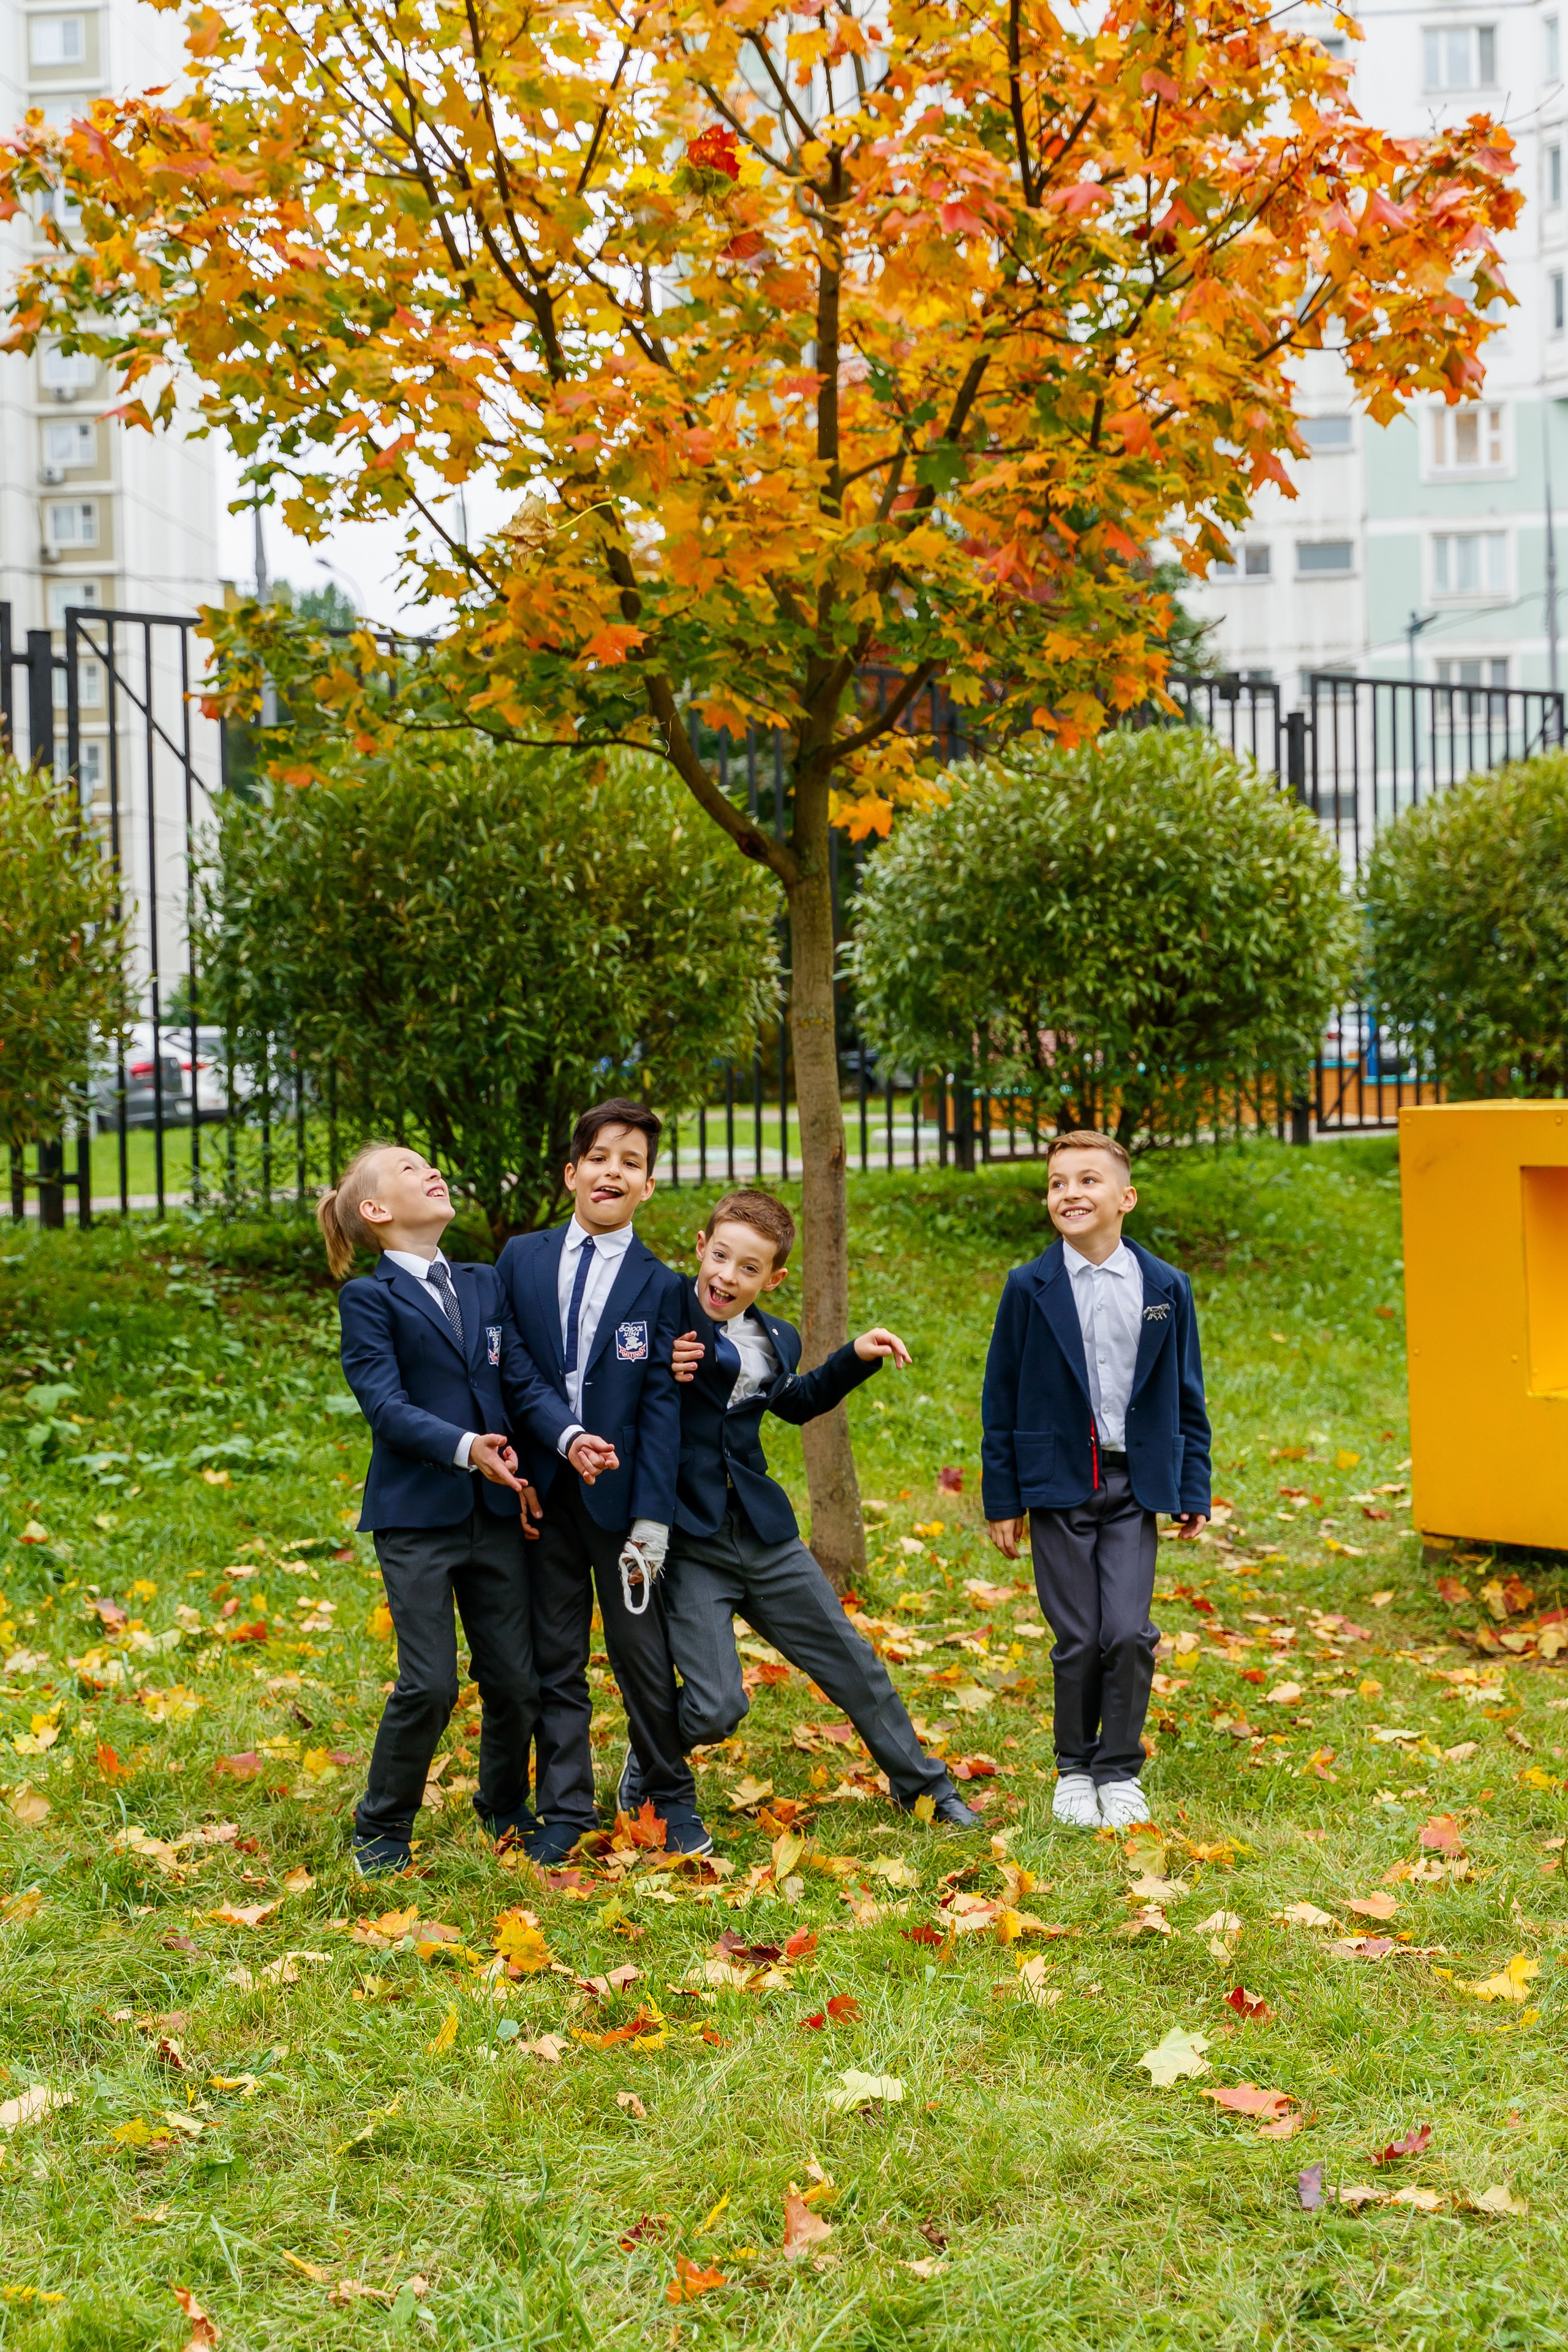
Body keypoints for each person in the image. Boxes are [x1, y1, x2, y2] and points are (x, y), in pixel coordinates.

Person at [622, 1188, 981, 1831]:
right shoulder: (661, 1311)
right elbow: (622, 1367)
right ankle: (652, 1754)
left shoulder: (776, 1336)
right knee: (715, 1709)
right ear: (701, 1249)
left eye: (749, 1267)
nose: (728, 1276)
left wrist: (853, 1357)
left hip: (763, 1534)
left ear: (774, 1278)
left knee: (854, 1664)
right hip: (691, 1540)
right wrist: (657, 1353)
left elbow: (792, 1400)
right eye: (721, 1257)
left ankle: (924, 1787)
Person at [323, 1141, 619, 1877]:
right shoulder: (368, 1299)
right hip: (416, 1518)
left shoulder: (485, 1285)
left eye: (430, 1161)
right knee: (429, 1683)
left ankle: (503, 1803)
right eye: (408, 1168)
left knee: (514, 1680)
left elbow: (518, 1381)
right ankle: (382, 1824)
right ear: (377, 1211)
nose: (431, 1170)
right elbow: (385, 1408)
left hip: (495, 1516)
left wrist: (566, 1435)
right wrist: (466, 1447)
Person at [495, 1100, 711, 1861]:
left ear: (648, 1187)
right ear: (571, 1173)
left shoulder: (663, 1287)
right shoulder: (519, 1261)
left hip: (623, 1508)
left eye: (630, 1163)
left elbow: (662, 1410)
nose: (612, 1171)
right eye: (600, 1157)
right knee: (554, 1652)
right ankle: (564, 1807)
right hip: (543, 1492)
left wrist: (652, 1520)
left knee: (641, 1654)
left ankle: (667, 1794)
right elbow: (512, 1368)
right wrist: (561, 1438)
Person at [981, 1131, 1212, 1831]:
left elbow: (1186, 1391)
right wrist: (1003, 1497)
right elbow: (1001, 1393)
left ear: (1125, 1198)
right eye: (1056, 1183)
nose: (1069, 1193)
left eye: (1086, 1180)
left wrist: (1192, 1485)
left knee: (1128, 1633)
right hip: (1058, 1484)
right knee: (1078, 1636)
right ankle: (1074, 1768)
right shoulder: (1029, 1287)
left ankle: (1118, 1769)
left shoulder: (1165, 1287)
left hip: (1133, 1485)